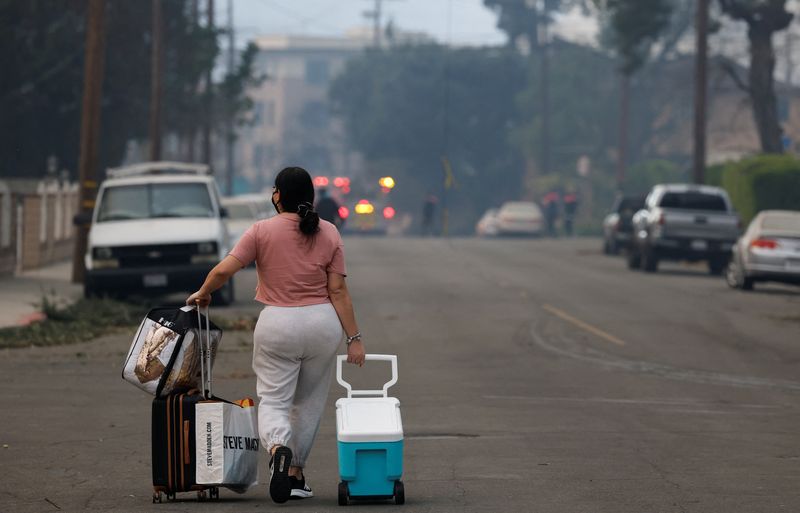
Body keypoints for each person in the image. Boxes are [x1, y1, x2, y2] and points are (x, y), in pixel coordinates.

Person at [186, 166, 366, 504]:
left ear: (278, 195)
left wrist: (204, 292)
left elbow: (226, 268)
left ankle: (278, 446)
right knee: (308, 402)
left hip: (277, 325)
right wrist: (354, 339)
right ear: (310, 197)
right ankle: (295, 474)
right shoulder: (328, 232)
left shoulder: (260, 231)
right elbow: (338, 290)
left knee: (274, 399)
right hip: (322, 326)